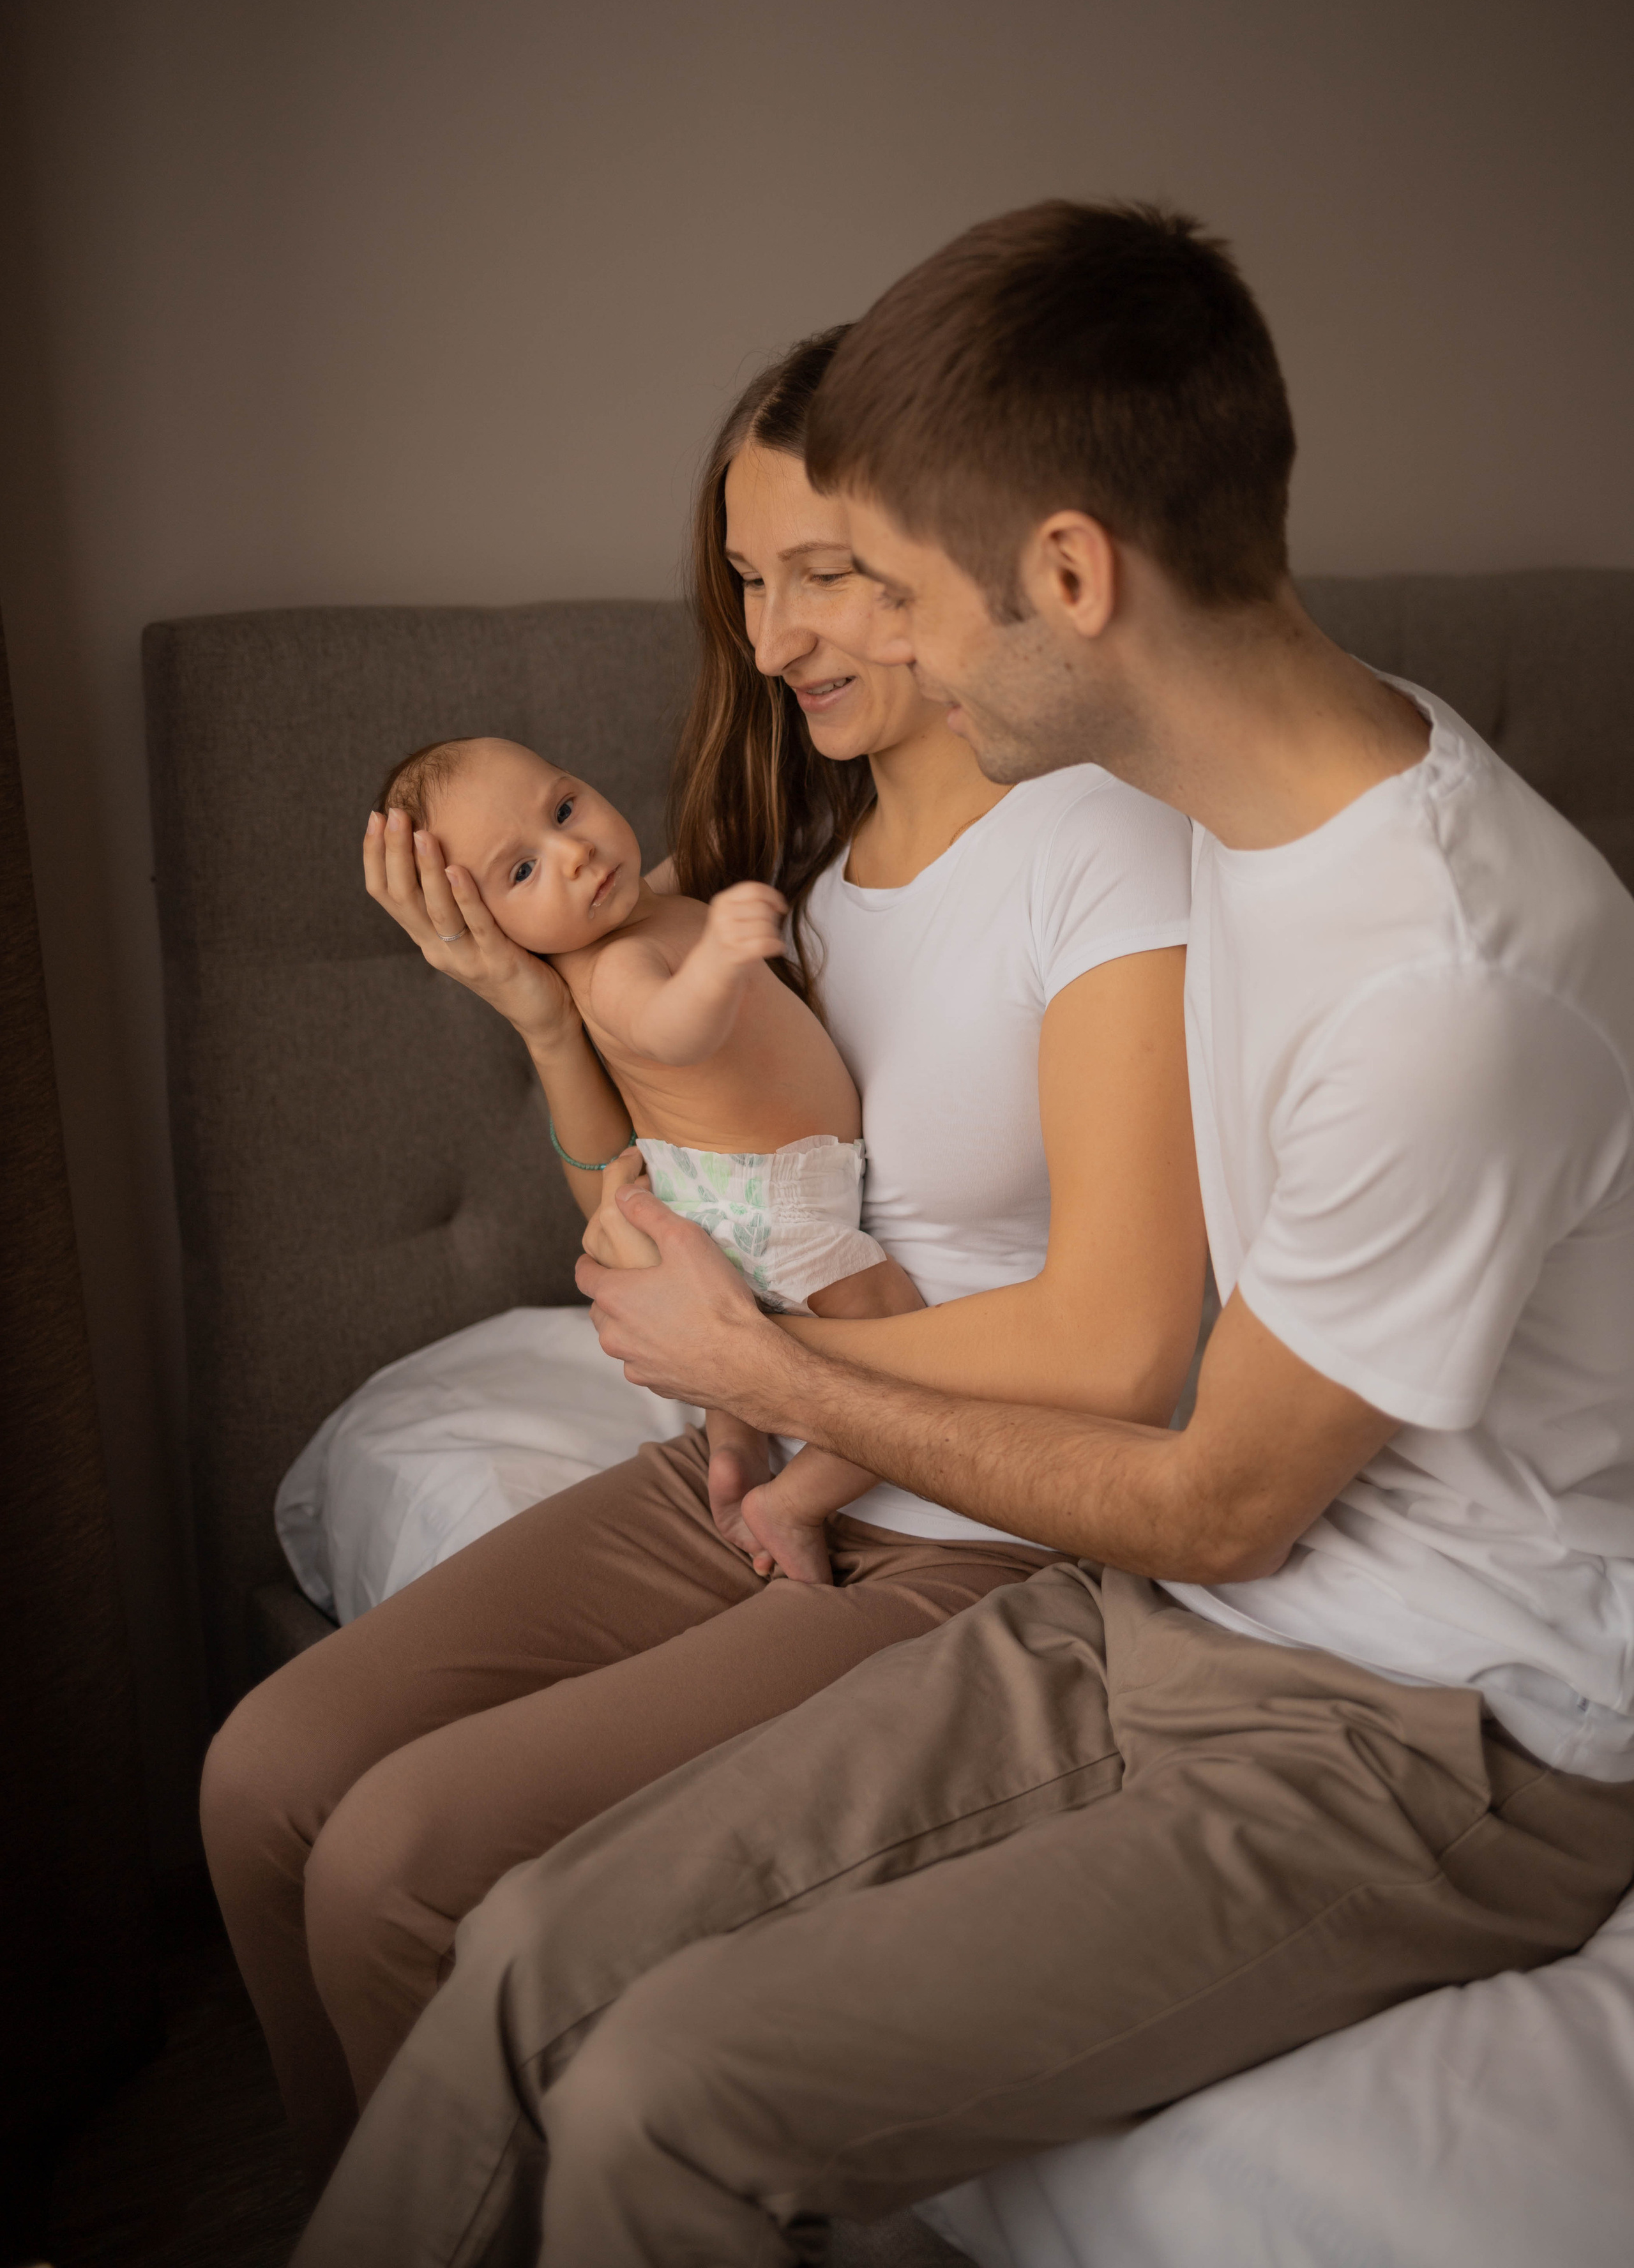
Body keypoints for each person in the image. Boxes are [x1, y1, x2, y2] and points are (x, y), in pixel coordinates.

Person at [290, 200, 1634, 2268]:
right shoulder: (1255, 820)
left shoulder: (1445, 979)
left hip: (1441, 1723)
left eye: (888, 590)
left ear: (1071, 577)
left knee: (675, 2091)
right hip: (1168, 1617)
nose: (851, 648)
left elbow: (1216, 1499)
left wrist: (770, 1373)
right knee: (540, 1942)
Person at [200, 318, 1200, 2191]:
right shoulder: (811, 873)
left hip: (974, 1524)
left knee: (402, 1860)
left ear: (962, 556)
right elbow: (659, 1215)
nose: (771, 636)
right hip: (770, 1428)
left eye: (821, 574)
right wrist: (534, 1009)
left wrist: (765, 1384)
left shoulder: (1103, 853)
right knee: (266, 1777)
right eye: (746, 580)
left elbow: (1127, 1348)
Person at [370, 729, 925, 1584]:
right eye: (521, 872)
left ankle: (734, 1442)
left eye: (564, 806)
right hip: (769, 1208)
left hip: (714, 1195)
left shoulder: (643, 904)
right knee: (905, 1351)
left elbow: (696, 852)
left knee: (768, 1377)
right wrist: (721, 961)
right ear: (493, 930)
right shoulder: (619, 965)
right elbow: (674, 1031)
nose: (575, 850)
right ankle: (792, 1503)